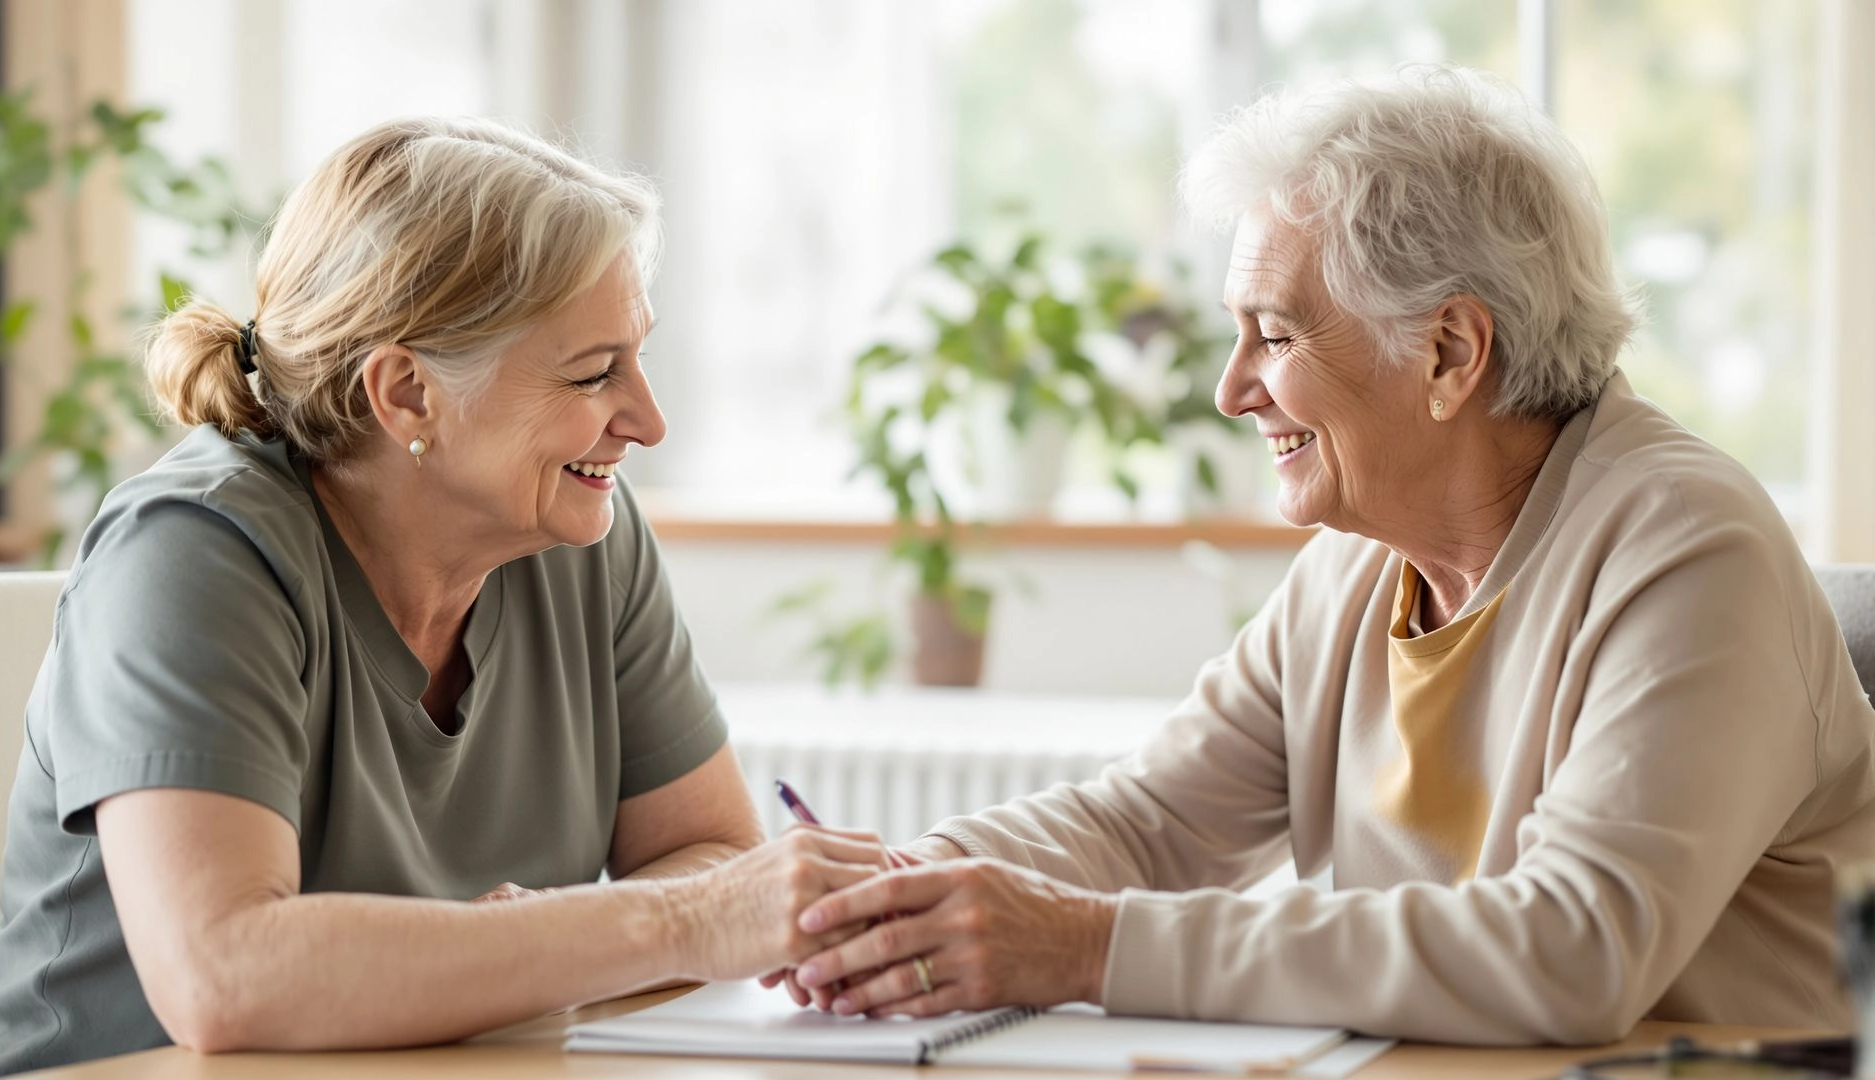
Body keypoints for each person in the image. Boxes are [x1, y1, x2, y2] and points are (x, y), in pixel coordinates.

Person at [780, 66, 1875, 1045]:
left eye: (1276, 334)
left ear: (1448, 350)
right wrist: (901, 889)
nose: (1231, 390)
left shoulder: (1690, 551)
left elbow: (1572, 949)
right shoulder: (1358, 569)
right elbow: (1148, 824)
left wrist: (1084, 947)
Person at [0, 117, 887, 1079]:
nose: (648, 423)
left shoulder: (579, 531)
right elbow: (225, 975)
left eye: (638, 356)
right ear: (406, 393)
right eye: (592, 373)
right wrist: (673, 924)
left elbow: (711, 848)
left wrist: (567, 932)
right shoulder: (189, 554)